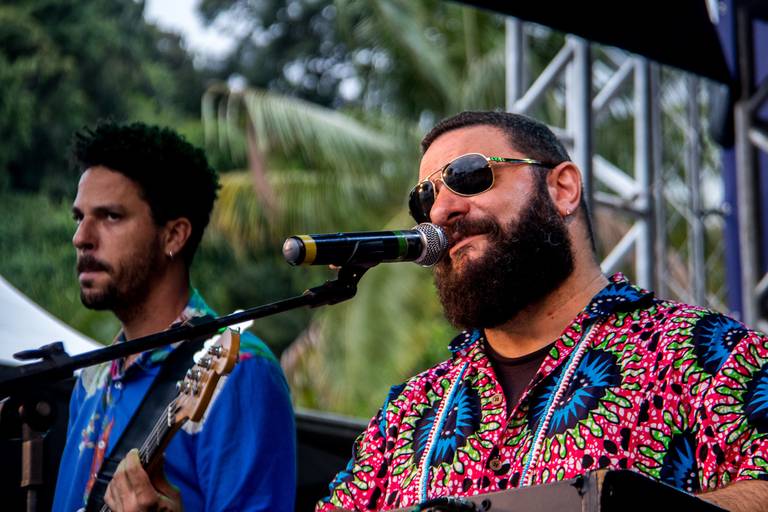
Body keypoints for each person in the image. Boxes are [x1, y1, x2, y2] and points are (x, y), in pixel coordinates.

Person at [318, 111, 768, 511]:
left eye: (469, 175)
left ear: (563, 188)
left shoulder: (709, 354)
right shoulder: (408, 412)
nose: (441, 209)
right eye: (424, 199)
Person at [52, 122, 296, 512]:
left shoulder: (240, 369)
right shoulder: (92, 378)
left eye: (110, 216)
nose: (81, 237)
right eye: (79, 217)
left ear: (174, 235)